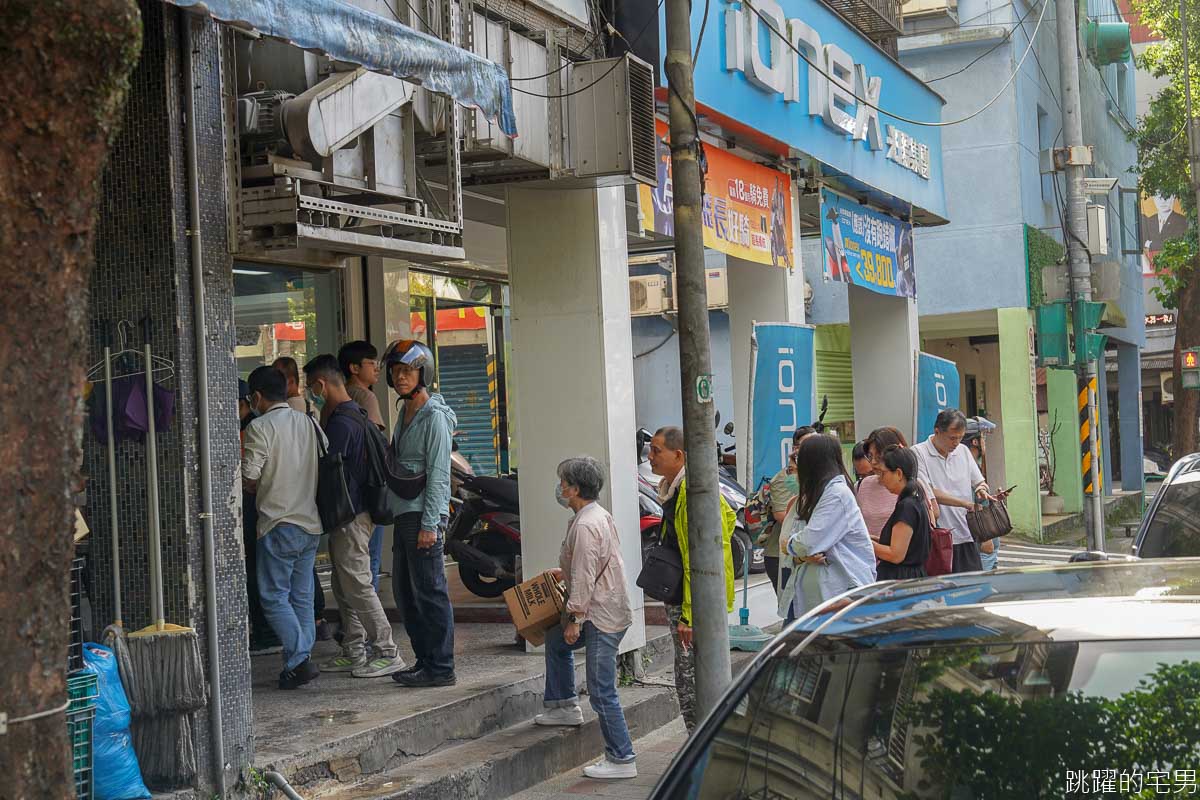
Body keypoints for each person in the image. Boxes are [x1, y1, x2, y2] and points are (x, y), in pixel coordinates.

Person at [303, 355, 406, 678]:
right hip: (354, 516)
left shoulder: (342, 424)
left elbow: (333, 474)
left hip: (351, 517)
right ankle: (354, 647)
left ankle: (387, 651)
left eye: (311, 388)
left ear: (321, 385)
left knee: (358, 584)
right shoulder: (356, 416)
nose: (312, 394)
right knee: (344, 584)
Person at [535, 457, 637, 780]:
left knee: (601, 688)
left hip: (600, 615)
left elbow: (585, 573)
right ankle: (563, 704)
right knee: (554, 641)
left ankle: (622, 757)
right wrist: (563, 573)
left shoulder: (585, 525)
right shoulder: (593, 516)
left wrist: (575, 618)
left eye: (563, 482)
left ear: (575, 489)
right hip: (604, 606)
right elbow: (586, 566)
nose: (560, 487)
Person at [648, 425, 736, 733]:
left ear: (679, 454)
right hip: (687, 603)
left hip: (690, 606)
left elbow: (692, 557)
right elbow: (728, 518)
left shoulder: (689, 492)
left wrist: (689, 613)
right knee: (690, 678)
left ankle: (699, 752)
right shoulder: (678, 489)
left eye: (657, 451)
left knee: (690, 683)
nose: (650, 457)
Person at [241, 366, 324, 689]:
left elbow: (249, 475)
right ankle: (299, 660)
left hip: (278, 522)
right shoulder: (308, 422)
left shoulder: (260, 427)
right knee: (301, 597)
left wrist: (254, 483)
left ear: (258, 397)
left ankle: (299, 658)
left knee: (274, 597)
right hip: (310, 523)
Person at [384, 339, 458, 688]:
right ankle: (424, 659)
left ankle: (441, 667)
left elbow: (440, 475)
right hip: (404, 513)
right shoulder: (405, 412)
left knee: (430, 591)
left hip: (423, 516)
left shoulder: (435, 418)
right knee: (405, 592)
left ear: (422, 373)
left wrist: (431, 525)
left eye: (408, 371)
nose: (401, 377)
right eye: (397, 371)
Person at [781, 434, 876, 619]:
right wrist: (797, 552)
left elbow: (806, 542)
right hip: (819, 596)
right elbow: (799, 544)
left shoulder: (836, 495)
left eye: (800, 459)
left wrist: (790, 546)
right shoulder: (817, 494)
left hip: (841, 594)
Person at [273, 355, 329, 639]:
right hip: (310, 507)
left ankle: (298, 653)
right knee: (303, 587)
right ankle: (310, 635)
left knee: (276, 593)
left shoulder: (268, 421)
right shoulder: (311, 412)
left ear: (292, 381)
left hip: (282, 512)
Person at [914, 409, 995, 573]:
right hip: (939, 538)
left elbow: (979, 481)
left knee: (973, 590)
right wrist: (964, 503)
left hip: (967, 533)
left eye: (960, 438)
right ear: (937, 431)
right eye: (952, 438)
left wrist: (981, 490)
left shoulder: (963, 451)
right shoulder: (918, 453)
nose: (956, 443)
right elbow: (928, 491)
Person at [338, 340, 386, 592]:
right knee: (370, 561)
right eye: (371, 363)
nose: (376, 368)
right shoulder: (366, 396)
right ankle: (372, 626)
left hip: (345, 494)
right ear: (354, 368)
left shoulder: (341, 395)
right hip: (367, 492)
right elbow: (376, 444)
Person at [240, 379, 280, 654]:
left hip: (261, 512)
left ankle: (270, 634)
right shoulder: (299, 424)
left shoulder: (254, 428)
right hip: (298, 517)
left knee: (263, 579)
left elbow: (250, 476)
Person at [764, 426, 818, 594]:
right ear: (796, 450)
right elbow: (782, 516)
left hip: (802, 551)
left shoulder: (816, 477)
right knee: (791, 608)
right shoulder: (784, 479)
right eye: (809, 444)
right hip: (780, 554)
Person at [872, 446, 931, 581]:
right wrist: (875, 540)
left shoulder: (907, 506)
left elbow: (896, 554)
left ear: (898, 474)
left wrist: (866, 544)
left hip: (900, 579)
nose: (881, 479)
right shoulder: (915, 499)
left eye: (883, 473)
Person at [857, 427, 909, 540]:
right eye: (870, 456)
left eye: (879, 456)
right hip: (869, 555)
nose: (874, 462)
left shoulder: (912, 486)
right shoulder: (864, 484)